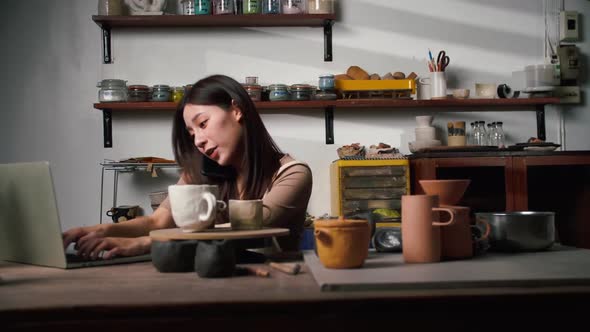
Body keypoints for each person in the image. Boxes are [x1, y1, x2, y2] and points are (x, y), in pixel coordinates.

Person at [63, 75, 313, 259]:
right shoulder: (201, 172)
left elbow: (252, 228)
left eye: (202, 124)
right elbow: (159, 221)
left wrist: (142, 244)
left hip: (274, 291)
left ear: (236, 110)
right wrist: (99, 229)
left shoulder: (293, 173)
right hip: (211, 285)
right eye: (191, 133)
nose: (198, 141)